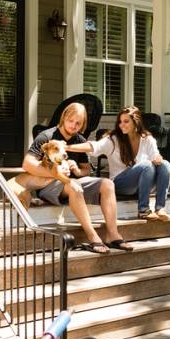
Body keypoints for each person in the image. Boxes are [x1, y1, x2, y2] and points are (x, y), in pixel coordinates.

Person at [22, 102, 133, 254]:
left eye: (78, 123)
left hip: (72, 183)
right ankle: (92, 237)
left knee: (107, 184)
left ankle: (112, 235)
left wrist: (77, 170)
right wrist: (56, 172)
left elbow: (86, 170)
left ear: (82, 125)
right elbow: (27, 164)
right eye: (70, 120)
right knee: (74, 186)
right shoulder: (47, 136)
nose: (73, 126)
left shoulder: (79, 140)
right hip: (48, 185)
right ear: (63, 118)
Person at [68, 105, 170, 220]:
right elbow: (93, 146)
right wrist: (68, 147)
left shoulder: (147, 139)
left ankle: (160, 208)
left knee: (165, 165)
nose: (121, 125)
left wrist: (158, 158)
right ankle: (143, 210)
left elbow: (155, 155)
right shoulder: (113, 139)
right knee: (147, 165)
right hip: (120, 184)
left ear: (136, 122)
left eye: (126, 121)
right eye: (120, 122)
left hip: (143, 185)